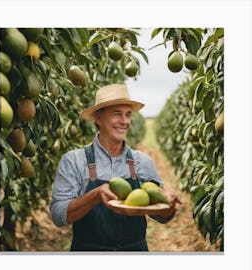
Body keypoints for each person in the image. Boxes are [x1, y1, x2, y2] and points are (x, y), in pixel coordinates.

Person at [50, 84, 181, 251]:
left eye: (128, 115)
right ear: (98, 118)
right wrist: (94, 196)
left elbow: (161, 216)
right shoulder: (74, 161)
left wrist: (168, 207)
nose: (124, 121)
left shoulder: (142, 162)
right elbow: (58, 215)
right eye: (117, 114)